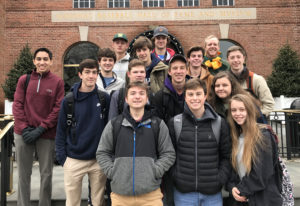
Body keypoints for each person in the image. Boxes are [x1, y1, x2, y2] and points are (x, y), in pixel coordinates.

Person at [96, 81, 175, 206]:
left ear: (147, 98)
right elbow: (102, 152)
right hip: (120, 197)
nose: (137, 96)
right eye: (133, 93)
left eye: (141, 93)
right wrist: (113, 171)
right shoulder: (114, 124)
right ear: (126, 99)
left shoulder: (157, 124)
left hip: (151, 196)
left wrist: (155, 171)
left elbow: (168, 153)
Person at [13, 47, 64, 206]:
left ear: (51, 61)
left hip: (46, 134)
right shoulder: (24, 80)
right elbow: (18, 104)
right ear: (34, 61)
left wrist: (41, 128)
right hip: (24, 133)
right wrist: (23, 127)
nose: (42, 62)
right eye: (39, 59)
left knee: (46, 174)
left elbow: (58, 108)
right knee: (23, 174)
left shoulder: (57, 82)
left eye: (45, 59)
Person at [168, 78, 231, 206]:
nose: (194, 98)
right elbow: (170, 156)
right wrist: (177, 177)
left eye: (198, 94)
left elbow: (226, 156)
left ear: (205, 96)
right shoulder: (175, 123)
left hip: (212, 194)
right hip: (184, 193)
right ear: (185, 97)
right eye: (190, 94)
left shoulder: (219, 123)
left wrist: (219, 179)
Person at [55, 59, 109, 206]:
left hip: (98, 160)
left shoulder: (104, 98)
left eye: (94, 72)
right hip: (73, 159)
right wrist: (63, 158)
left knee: (97, 202)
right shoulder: (69, 100)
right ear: (80, 74)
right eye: (87, 72)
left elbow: (109, 129)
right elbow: (60, 130)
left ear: (97, 74)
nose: (91, 76)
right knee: (72, 202)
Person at [226, 94, 282, 206]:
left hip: (264, 199)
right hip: (243, 199)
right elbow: (233, 171)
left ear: (250, 111)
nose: (237, 114)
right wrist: (232, 188)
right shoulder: (236, 137)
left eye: (242, 109)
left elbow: (262, 173)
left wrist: (241, 190)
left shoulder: (262, 135)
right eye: (234, 110)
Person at [227, 45, 275, 117]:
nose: (235, 60)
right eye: (232, 58)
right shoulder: (225, 81)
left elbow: (269, 104)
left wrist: (254, 117)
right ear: (228, 60)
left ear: (244, 58)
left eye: (238, 57)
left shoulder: (257, 80)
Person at [151, 54, 188, 124]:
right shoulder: (160, 96)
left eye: (182, 68)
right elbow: (157, 124)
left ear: (187, 71)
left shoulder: (194, 94)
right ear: (169, 72)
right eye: (175, 68)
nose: (178, 71)